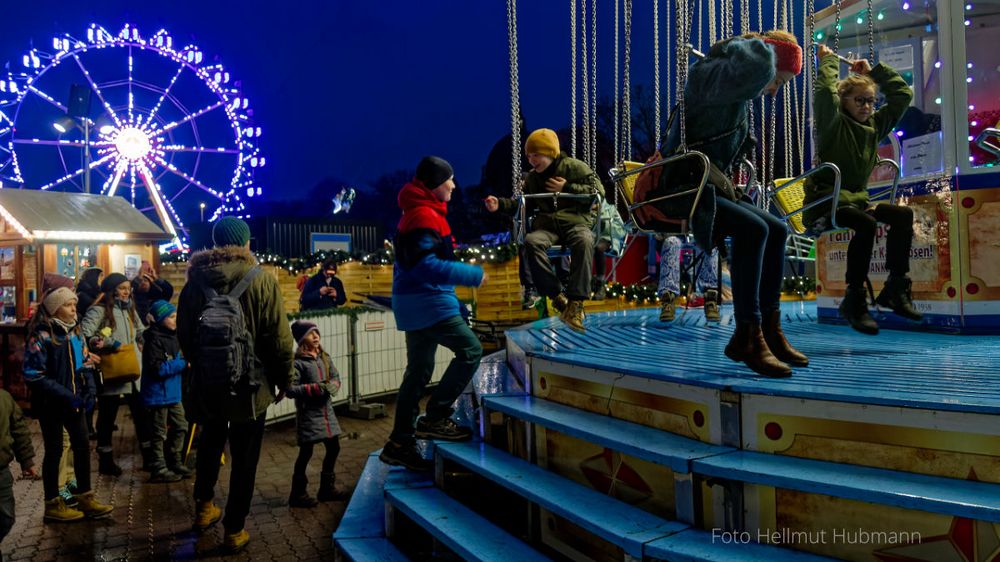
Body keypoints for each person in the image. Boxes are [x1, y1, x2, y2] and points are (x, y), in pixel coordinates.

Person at [654, 30, 808, 377]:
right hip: (681, 187)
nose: (772, 91)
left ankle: (767, 329)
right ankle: (748, 332)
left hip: (708, 186)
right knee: (752, 229)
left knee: (777, 228)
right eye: (777, 82)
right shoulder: (711, 75)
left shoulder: (731, 88)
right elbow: (754, 64)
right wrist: (761, 46)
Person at [177, 216, 294, 554]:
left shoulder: (194, 283)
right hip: (250, 386)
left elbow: (184, 335)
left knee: (210, 445)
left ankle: (203, 508)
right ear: (245, 244)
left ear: (214, 244)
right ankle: (234, 528)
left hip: (207, 385)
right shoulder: (262, 281)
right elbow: (279, 339)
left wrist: (203, 365)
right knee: (245, 458)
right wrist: (283, 378)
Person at [379, 156, 486, 472]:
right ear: (434, 184)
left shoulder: (416, 213)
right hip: (428, 302)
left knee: (418, 371)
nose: (453, 185)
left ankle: (399, 442)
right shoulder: (424, 216)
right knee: (471, 350)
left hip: (415, 303)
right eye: (448, 180)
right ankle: (436, 417)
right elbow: (425, 266)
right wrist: (472, 275)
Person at [807, 44, 920, 334]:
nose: (867, 107)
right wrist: (829, 61)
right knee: (866, 224)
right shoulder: (833, 124)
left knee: (902, 216)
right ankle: (854, 298)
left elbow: (903, 96)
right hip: (825, 201)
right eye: (859, 100)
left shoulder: (873, 126)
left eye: (871, 101)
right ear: (844, 100)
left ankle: (895, 286)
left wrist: (875, 73)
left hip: (855, 202)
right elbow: (823, 94)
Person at [485, 129, 603, 332]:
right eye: (529, 156)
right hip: (548, 225)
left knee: (584, 240)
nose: (531, 161)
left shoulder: (574, 168)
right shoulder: (533, 179)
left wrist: (567, 188)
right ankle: (556, 295)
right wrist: (500, 204)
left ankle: (576, 303)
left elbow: (598, 192)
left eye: (536, 155)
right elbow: (522, 205)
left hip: (575, 221)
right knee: (532, 241)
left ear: (550, 152)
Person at [23, 287, 114, 522]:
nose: (74, 308)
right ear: (55, 308)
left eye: (74, 304)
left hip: (76, 403)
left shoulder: (75, 332)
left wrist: (90, 392)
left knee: (82, 447)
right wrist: (67, 395)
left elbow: (85, 363)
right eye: (68, 305)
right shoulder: (42, 335)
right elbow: (34, 374)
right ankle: (52, 504)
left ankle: (86, 496)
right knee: (54, 451)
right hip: (52, 405)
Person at [81, 272, 153, 476]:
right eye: (122, 288)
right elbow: (86, 335)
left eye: (128, 288)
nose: (126, 292)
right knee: (107, 416)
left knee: (141, 415)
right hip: (112, 369)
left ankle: (149, 458)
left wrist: (149, 333)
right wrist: (109, 343)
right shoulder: (99, 310)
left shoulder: (129, 308)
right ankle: (105, 461)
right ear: (112, 290)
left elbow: (140, 331)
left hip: (133, 369)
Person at [286, 320, 346, 507]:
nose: (316, 336)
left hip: (327, 414)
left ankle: (326, 489)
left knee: (334, 447)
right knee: (306, 452)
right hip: (309, 415)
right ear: (302, 339)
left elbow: (335, 376)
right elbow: (290, 389)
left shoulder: (324, 357)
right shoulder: (297, 364)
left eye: (317, 332)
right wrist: (315, 389)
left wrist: (333, 386)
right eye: (311, 334)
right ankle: (298, 494)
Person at [140, 300, 191, 483]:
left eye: (175, 315)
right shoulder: (154, 340)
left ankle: (174, 460)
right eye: (171, 316)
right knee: (159, 432)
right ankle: (158, 467)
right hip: (157, 396)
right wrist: (183, 364)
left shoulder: (174, 337)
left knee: (181, 425)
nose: (175, 319)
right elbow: (158, 369)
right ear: (160, 319)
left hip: (173, 393)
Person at [0, 388, 36, 545]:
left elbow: (18, 428)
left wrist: (26, 459)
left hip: (1, 472)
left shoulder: (3, 397)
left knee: (6, 518)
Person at [657, 236, 721, 322]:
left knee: (710, 242)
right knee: (670, 242)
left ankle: (710, 299)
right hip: (677, 233)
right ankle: (668, 300)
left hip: (699, 233)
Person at [132, 261, 174, 326]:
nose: (143, 283)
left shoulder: (157, 295)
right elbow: (132, 287)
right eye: (141, 281)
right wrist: (139, 277)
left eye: (146, 280)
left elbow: (169, 290)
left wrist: (156, 278)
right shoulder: (135, 296)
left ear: (150, 283)